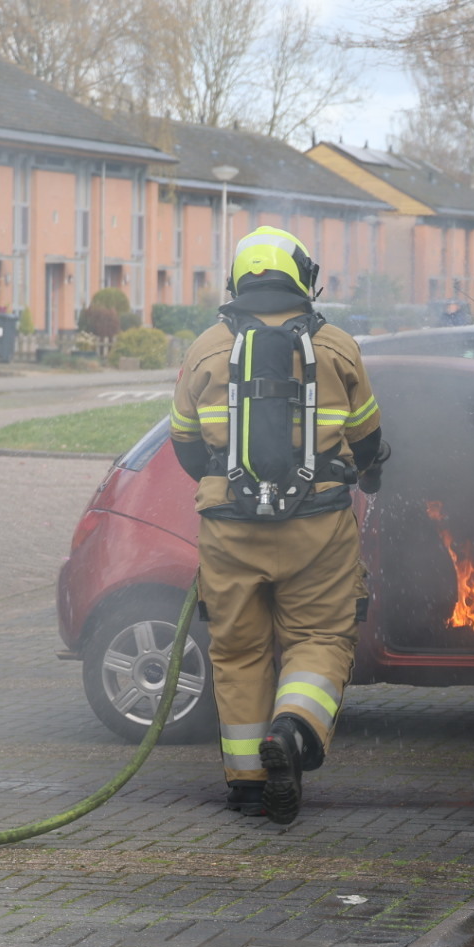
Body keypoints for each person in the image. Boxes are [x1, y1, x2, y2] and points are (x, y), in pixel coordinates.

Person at [169, 226, 387, 824]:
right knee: (319, 639)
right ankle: (293, 733)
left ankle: (244, 784)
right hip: (317, 526)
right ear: (304, 277)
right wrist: (365, 472)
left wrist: (222, 489)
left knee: (237, 651)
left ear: (237, 279)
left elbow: (185, 444)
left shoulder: (206, 348)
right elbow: (368, 437)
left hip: (229, 529)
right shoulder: (337, 346)